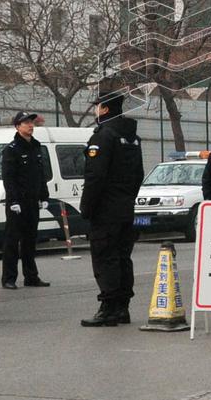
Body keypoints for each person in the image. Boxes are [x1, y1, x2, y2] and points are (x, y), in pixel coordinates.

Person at [79, 92, 145, 327]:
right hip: (126, 208)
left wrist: (86, 207)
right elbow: (138, 174)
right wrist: (127, 198)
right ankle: (122, 308)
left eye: (97, 107)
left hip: (106, 210)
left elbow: (95, 176)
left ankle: (108, 308)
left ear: (105, 109)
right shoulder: (132, 137)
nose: (96, 110)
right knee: (122, 258)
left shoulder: (104, 135)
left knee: (105, 258)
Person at [1, 111, 51, 289]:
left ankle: (31, 276)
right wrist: (13, 200)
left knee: (30, 240)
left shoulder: (36, 146)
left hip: (32, 201)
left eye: (31, 122)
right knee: (12, 241)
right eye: (25, 123)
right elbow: (9, 178)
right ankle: (9, 278)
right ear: (17, 126)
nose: (30, 125)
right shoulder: (12, 149)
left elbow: (41, 174)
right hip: (17, 203)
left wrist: (44, 195)